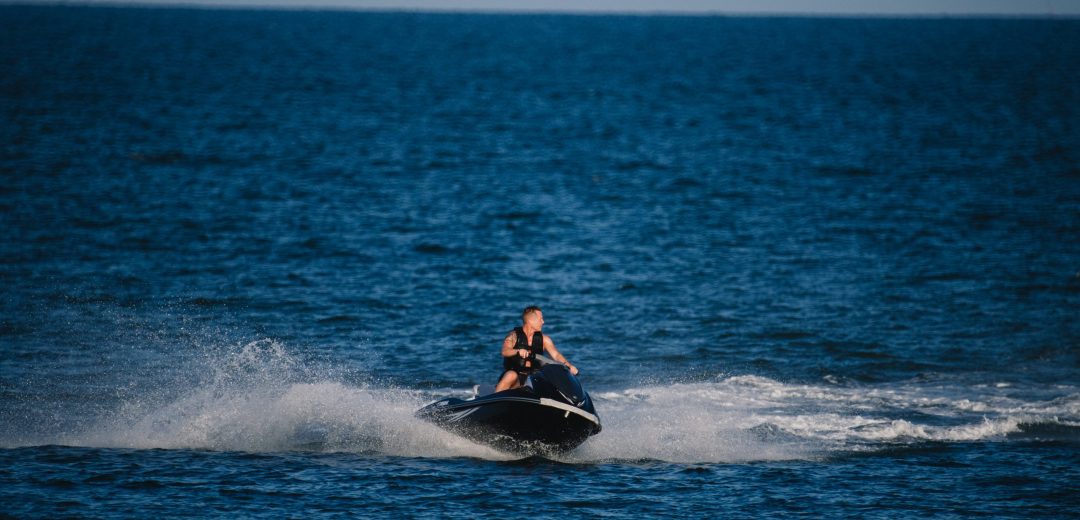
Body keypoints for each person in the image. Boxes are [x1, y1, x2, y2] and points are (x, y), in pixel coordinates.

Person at [495, 305, 578, 392]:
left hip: (534, 378)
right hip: (515, 379)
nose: (543, 322)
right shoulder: (513, 336)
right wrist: (518, 351)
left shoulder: (545, 339)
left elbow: (556, 355)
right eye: (540, 319)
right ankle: (494, 400)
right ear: (531, 321)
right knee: (511, 375)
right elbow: (505, 351)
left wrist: (569, 366)